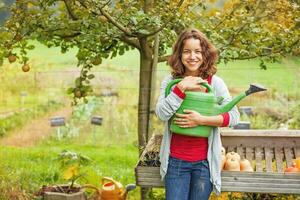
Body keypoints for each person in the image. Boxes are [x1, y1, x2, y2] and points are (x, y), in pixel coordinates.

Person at [155, 28, 240, 200]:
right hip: (176, 162)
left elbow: (234, 117)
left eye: (198, 52)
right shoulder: (171, 82)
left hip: (204, 163)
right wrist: (181, 88)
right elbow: (161, 114)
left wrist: (201, 120)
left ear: (205, 54)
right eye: (186, 51)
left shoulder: (215, 83)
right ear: (179, 55)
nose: (192, 56)